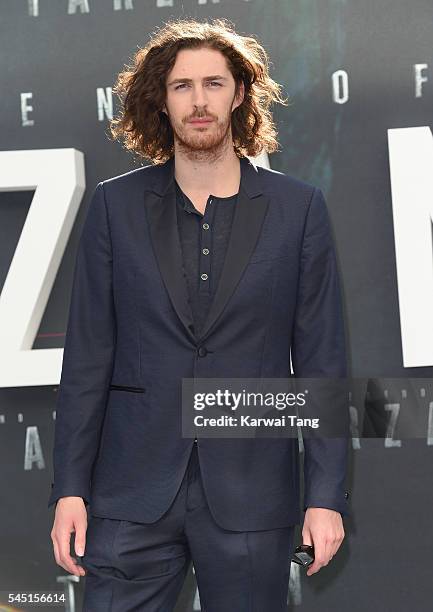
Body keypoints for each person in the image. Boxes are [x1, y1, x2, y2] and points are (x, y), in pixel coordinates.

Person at [49, 17, 350, 611]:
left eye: (214, 83)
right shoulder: (115, 206)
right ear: (161, 100)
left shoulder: (298, 209)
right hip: (129, 491)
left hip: (251, 492)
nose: (199, 101)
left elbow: (321, 363)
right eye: (182, 86)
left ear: (239, 93)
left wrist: (325, 496)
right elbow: (87, 358)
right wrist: (70, 490)